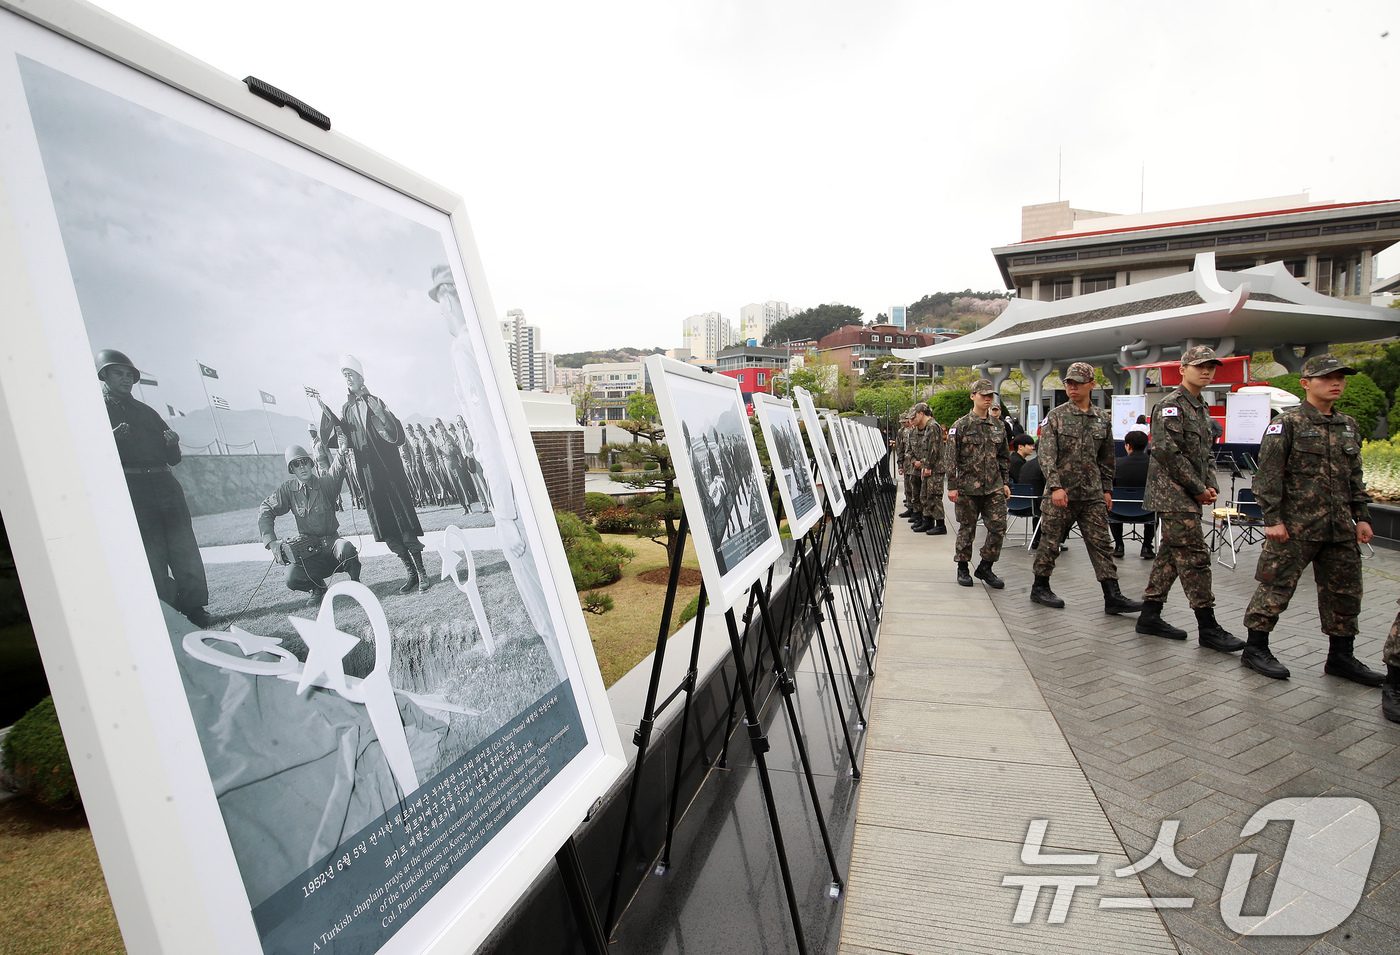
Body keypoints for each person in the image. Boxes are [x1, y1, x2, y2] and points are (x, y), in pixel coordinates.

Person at [1240, 354, 1381, 684]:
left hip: (1340, 527)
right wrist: (1272, 519)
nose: (1336, 383)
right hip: (1295, 527)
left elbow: (1354, 477)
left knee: (1345, 593)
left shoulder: (1348, 425)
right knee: (1275, 587)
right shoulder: (1287, 424)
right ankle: (1255, 648)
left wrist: (1361, 516)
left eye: (1341, 377)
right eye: (1327, 377)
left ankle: (1341, 657)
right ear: (1306, 384)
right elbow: (1268, 476)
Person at [1135, 346, 1241, 650]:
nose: (1206, 371)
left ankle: (1149, 615)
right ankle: (1208, 626)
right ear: (1182, 370)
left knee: (1169, 557)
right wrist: (1197, 487)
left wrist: (1209, 484)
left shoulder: (1201, 407)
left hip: (1190, 494)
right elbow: (1168, 452)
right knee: (1195, 557)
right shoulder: (1170, 405)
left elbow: (1205, 452)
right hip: (1173, 495)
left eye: (1211, 367)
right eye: (1199, 366)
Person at [97, 349, 211, 628]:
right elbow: (91, 458)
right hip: (133, 487)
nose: (125, 379)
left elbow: (174, 459)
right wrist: (109, 440)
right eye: (118, 373)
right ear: (104, 376)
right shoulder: (96, 411)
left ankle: (196, 608)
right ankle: (171, 611)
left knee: (183, 546)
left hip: (165, 483)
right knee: (152, 552)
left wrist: (172, 442)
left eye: (129, 375)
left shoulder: (147, 412)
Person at [1027, 362, 1143, 615]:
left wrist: (1107, 489)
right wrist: (1056, 486)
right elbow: (1045, 455)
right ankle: (1040, 586)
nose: (1072, 387)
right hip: (1062, 494)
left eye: (1078, 382)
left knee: (1102, 543)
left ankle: (1112, 595)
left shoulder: (1102, 418)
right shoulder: (1056, 416)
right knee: (1051, 542)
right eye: (1069, 382)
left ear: (1091, 384)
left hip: (1091, 495)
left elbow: (1107, 457)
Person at [320, 355, 429, 595]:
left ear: (361, 378)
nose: (347, 379)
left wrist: (381, 414)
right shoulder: (346, 410)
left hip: (391, 474)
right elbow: (342, 439)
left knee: (404, 523)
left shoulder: (376, 402)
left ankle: (421, 572)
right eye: (344, 375)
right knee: (387, 526)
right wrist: (328, 418)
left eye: (350, 374)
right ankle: (410, 572)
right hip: (369, 478)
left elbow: (396, 434)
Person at [258, 441, 361, 604]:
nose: (302, 467)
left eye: (305, 462)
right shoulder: (288, 490)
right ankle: (318, 588)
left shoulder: (325, 484)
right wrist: (271, 542)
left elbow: (336, 471)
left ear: (311, 463)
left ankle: (356, 584)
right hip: (309, 553)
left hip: (332, 546)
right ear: (291, 469)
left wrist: (341, 453)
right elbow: (266, 509)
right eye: (296, 464)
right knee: (291, 576)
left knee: (346, 548)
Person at [943, 380, 1010, 588]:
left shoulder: (999, 426)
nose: (987, 399)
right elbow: (950, 458)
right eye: (983, 395)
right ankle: (963, 567)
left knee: (998, 527)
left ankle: (986, 566)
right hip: (968, 488)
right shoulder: (961, 426)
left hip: (993, 487)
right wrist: (952, 486)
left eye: (990, 395)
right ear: (973, 396)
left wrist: (1005, 482)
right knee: (967, 529)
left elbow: (1004, 457)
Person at [1111, 430, 1156, 560]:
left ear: (1128, 446)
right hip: (1146, 511)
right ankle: (1147, 546)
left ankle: (1119, 545)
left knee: (1113, 504)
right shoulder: (1154, 464)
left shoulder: (1116, 464)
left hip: (1119, 511)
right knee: (1155, 510)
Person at [910, 402, 947, 535]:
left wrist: (929, 466)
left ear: (921, 414)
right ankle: (928, 521)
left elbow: (934, 449)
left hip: (935, 468)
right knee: (926, 495)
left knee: (934, 496)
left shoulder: (932, 426)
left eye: (915, 415)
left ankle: (940, 524)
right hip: (929, 466)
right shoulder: (928, 427)